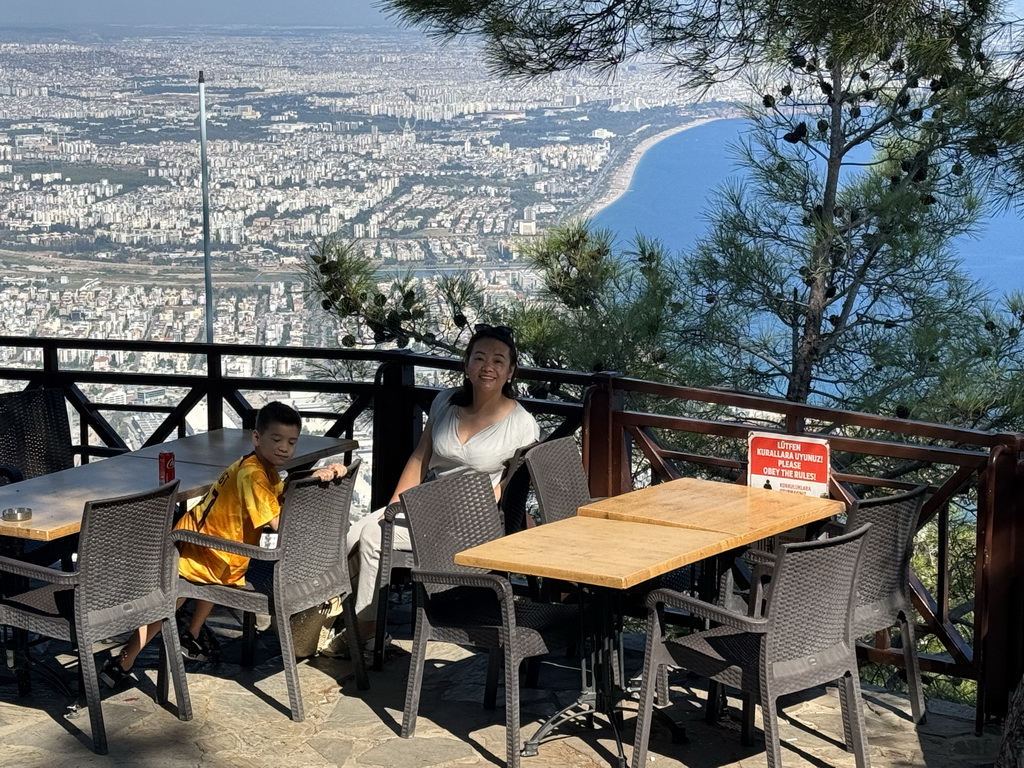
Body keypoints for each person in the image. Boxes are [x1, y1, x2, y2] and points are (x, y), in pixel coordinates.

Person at [100, 401, 348, 688]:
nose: (284, 448)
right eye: (277, 440)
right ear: (256, 438)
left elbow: (280, 497)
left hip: (217, 548)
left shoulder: (260, 467)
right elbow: (281, 524)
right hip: (196, 546)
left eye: (291, 442)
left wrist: (311, 477)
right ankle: (127, 657)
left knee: (183, 591)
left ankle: (180, 637)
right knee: (168, 601)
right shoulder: (253, 475)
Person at [331, 324, 540, 659]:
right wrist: (394, 507)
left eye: (498, 361)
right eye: (480, 357)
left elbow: (509, 491)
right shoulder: (445, 403)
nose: (488, 366)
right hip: (424, 509)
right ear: (467, 365)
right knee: (354, 533)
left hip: (472, 525)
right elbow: (420, 456)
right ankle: (336, 622)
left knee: (371, 536)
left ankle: (365, 636)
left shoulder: (522, 424)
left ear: (510, 371)